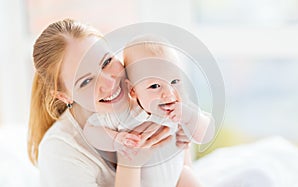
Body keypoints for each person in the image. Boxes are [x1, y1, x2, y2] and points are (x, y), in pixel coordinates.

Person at [27, 19, 190, 187]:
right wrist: (130, 163)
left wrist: (181, 139)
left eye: (106, 62)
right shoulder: (60, 152)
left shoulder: (145, 91)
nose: (110, 83)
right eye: (86, 81)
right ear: (64, 96)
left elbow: (181, 172)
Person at [83, 35, 215, 186]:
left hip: (178, 179)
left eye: (175, 81)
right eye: (154, 86)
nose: (169, 94)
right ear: (132, 90)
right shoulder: (125, 114)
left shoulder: (182, 107)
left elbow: (206, 134)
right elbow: (90, 129)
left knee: (189, 176)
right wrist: (116, 139)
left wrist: (190, 117)